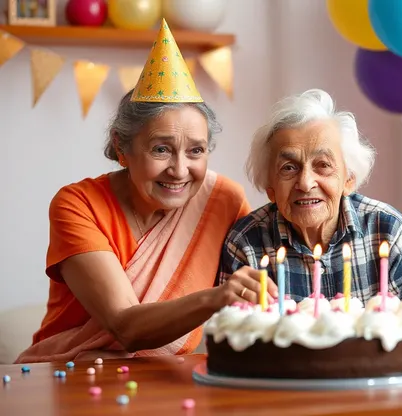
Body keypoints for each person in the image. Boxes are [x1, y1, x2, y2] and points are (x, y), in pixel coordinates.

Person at [15, 19, 272, 364]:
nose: (180, 170)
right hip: (68, 376)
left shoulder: (223, 199)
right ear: (122, 148)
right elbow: (125, 327)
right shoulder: (77, 204)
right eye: (161, 149)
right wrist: (216, 297)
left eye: (196, 150)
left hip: (165, 379)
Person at [218, 89, 402, 304]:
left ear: (349, 179)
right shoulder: (245, 243)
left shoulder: (388, 231)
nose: (305, 183)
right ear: (270, 187)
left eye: (323, 165)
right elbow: (230, 334)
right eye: (289, 167)